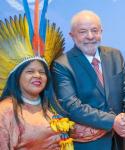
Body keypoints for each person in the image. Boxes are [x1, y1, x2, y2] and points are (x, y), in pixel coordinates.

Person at [52, 10, 125, 150]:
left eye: (94, 30)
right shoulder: (62, 65)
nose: (90, 36)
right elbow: (72, 106)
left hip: (121, 140)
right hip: (90, 144)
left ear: (101, 31)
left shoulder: (115, 55)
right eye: (83, 32)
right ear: (72, 35)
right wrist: (113, 121)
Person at [0, 2, 74, 148]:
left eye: (42, 72)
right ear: (17, 77)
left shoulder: (52, 106)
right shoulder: (5, 111)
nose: (37, 76)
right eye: (30, 71)